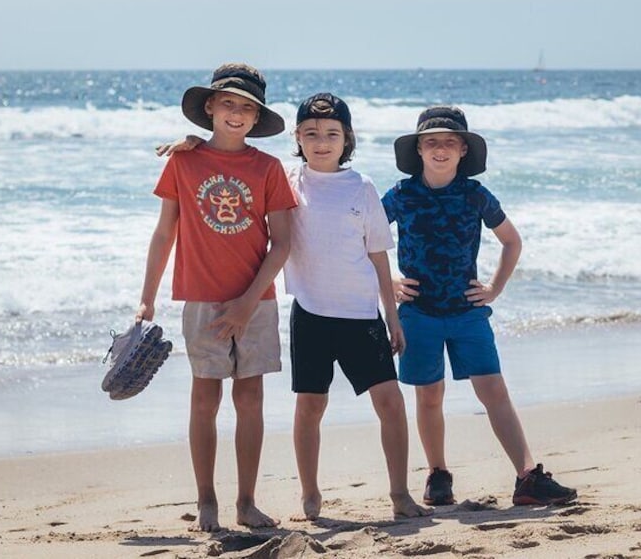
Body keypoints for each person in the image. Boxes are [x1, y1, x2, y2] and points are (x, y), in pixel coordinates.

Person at [158, 93, 431, 521]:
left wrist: (391, 315)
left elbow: (379, 256)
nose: (321, 142)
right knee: (309, 407)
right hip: (310, 315)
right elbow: (234, 164)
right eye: (310, 133)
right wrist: (193, 141)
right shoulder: (287, 179)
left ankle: (400, 493)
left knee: (391, 402)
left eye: (331, 134)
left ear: (347, 140)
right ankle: (310, 494)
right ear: (298, 139)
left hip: (362, 315)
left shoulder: (362, 187)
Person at [382, 105, 577, 507]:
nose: (440, 149)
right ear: (418, 149)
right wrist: (390, 282)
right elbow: (364, 242)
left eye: (450, 142)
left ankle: (527, 476)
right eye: (431, 142)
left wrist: (494, 288)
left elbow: (512, 241)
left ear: (463, 151)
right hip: (419, 313)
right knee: (429, 396)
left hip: (468, 312)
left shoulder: (475, 195)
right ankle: (438, 475)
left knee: (494, 390)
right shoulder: (400, 196)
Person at [136, 63, 297, 532]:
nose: (236, 113)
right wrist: (146, 298)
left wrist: (248, 302)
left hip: (256, 302)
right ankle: (206, 500)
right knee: (204, 400)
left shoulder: (267, 169)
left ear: (257, 117)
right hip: (202, 300)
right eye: (228, 103)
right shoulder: (183, 162)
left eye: (247, 108)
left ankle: (246, 502)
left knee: (250, 400)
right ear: (209, 108)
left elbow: (281, 242)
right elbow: (165, 232)